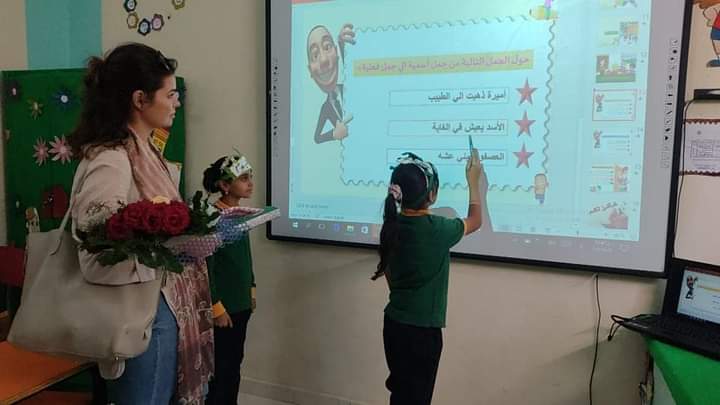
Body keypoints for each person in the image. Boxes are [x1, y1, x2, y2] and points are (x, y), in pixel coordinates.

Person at [68, 43, 213, 404]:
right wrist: (165, 256)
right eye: (170, 95)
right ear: (139, 99)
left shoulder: (145, 152)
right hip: (140, 315)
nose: (176, 103)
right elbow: (95, 254)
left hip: (156, 308)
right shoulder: (112, 159)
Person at [372, 150, 487, 405]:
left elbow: (391, 278)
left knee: (401, 393)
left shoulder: (391, 227)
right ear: (431, 195)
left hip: (394, 325)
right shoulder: (438, 229)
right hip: (422, 333)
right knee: (417, 398)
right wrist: (473, 182)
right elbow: (476, 220)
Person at [202, 153, 257, 405]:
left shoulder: (239, 215)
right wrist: (216, 306)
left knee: (234, 364)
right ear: (225, 185)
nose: (250, 183)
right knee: (221, 368)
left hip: (241, 302)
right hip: (224, 308)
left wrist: (251, 289)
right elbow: (207, 265)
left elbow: (245, 258)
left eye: (250, 177)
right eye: (243, 178)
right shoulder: (212, 218)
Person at [307, 23, 355, 143]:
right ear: (310, 70)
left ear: (337, 53)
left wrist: (342, 45)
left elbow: (353, 74)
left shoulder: (348, 88)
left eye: (328, 47)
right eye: (315, 55)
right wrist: (334, 134)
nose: (323, 60)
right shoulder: (326, 108)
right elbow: (317, 138)